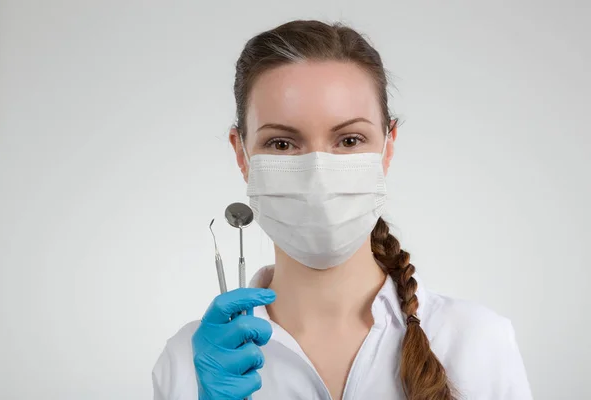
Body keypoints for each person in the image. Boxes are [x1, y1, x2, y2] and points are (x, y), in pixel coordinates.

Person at [152, 19, 532, 400]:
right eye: (282, 144)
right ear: (242, 154)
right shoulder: (191, 363)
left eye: (349, 140)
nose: (318, 176)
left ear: (388, 146)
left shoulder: (478, 343)